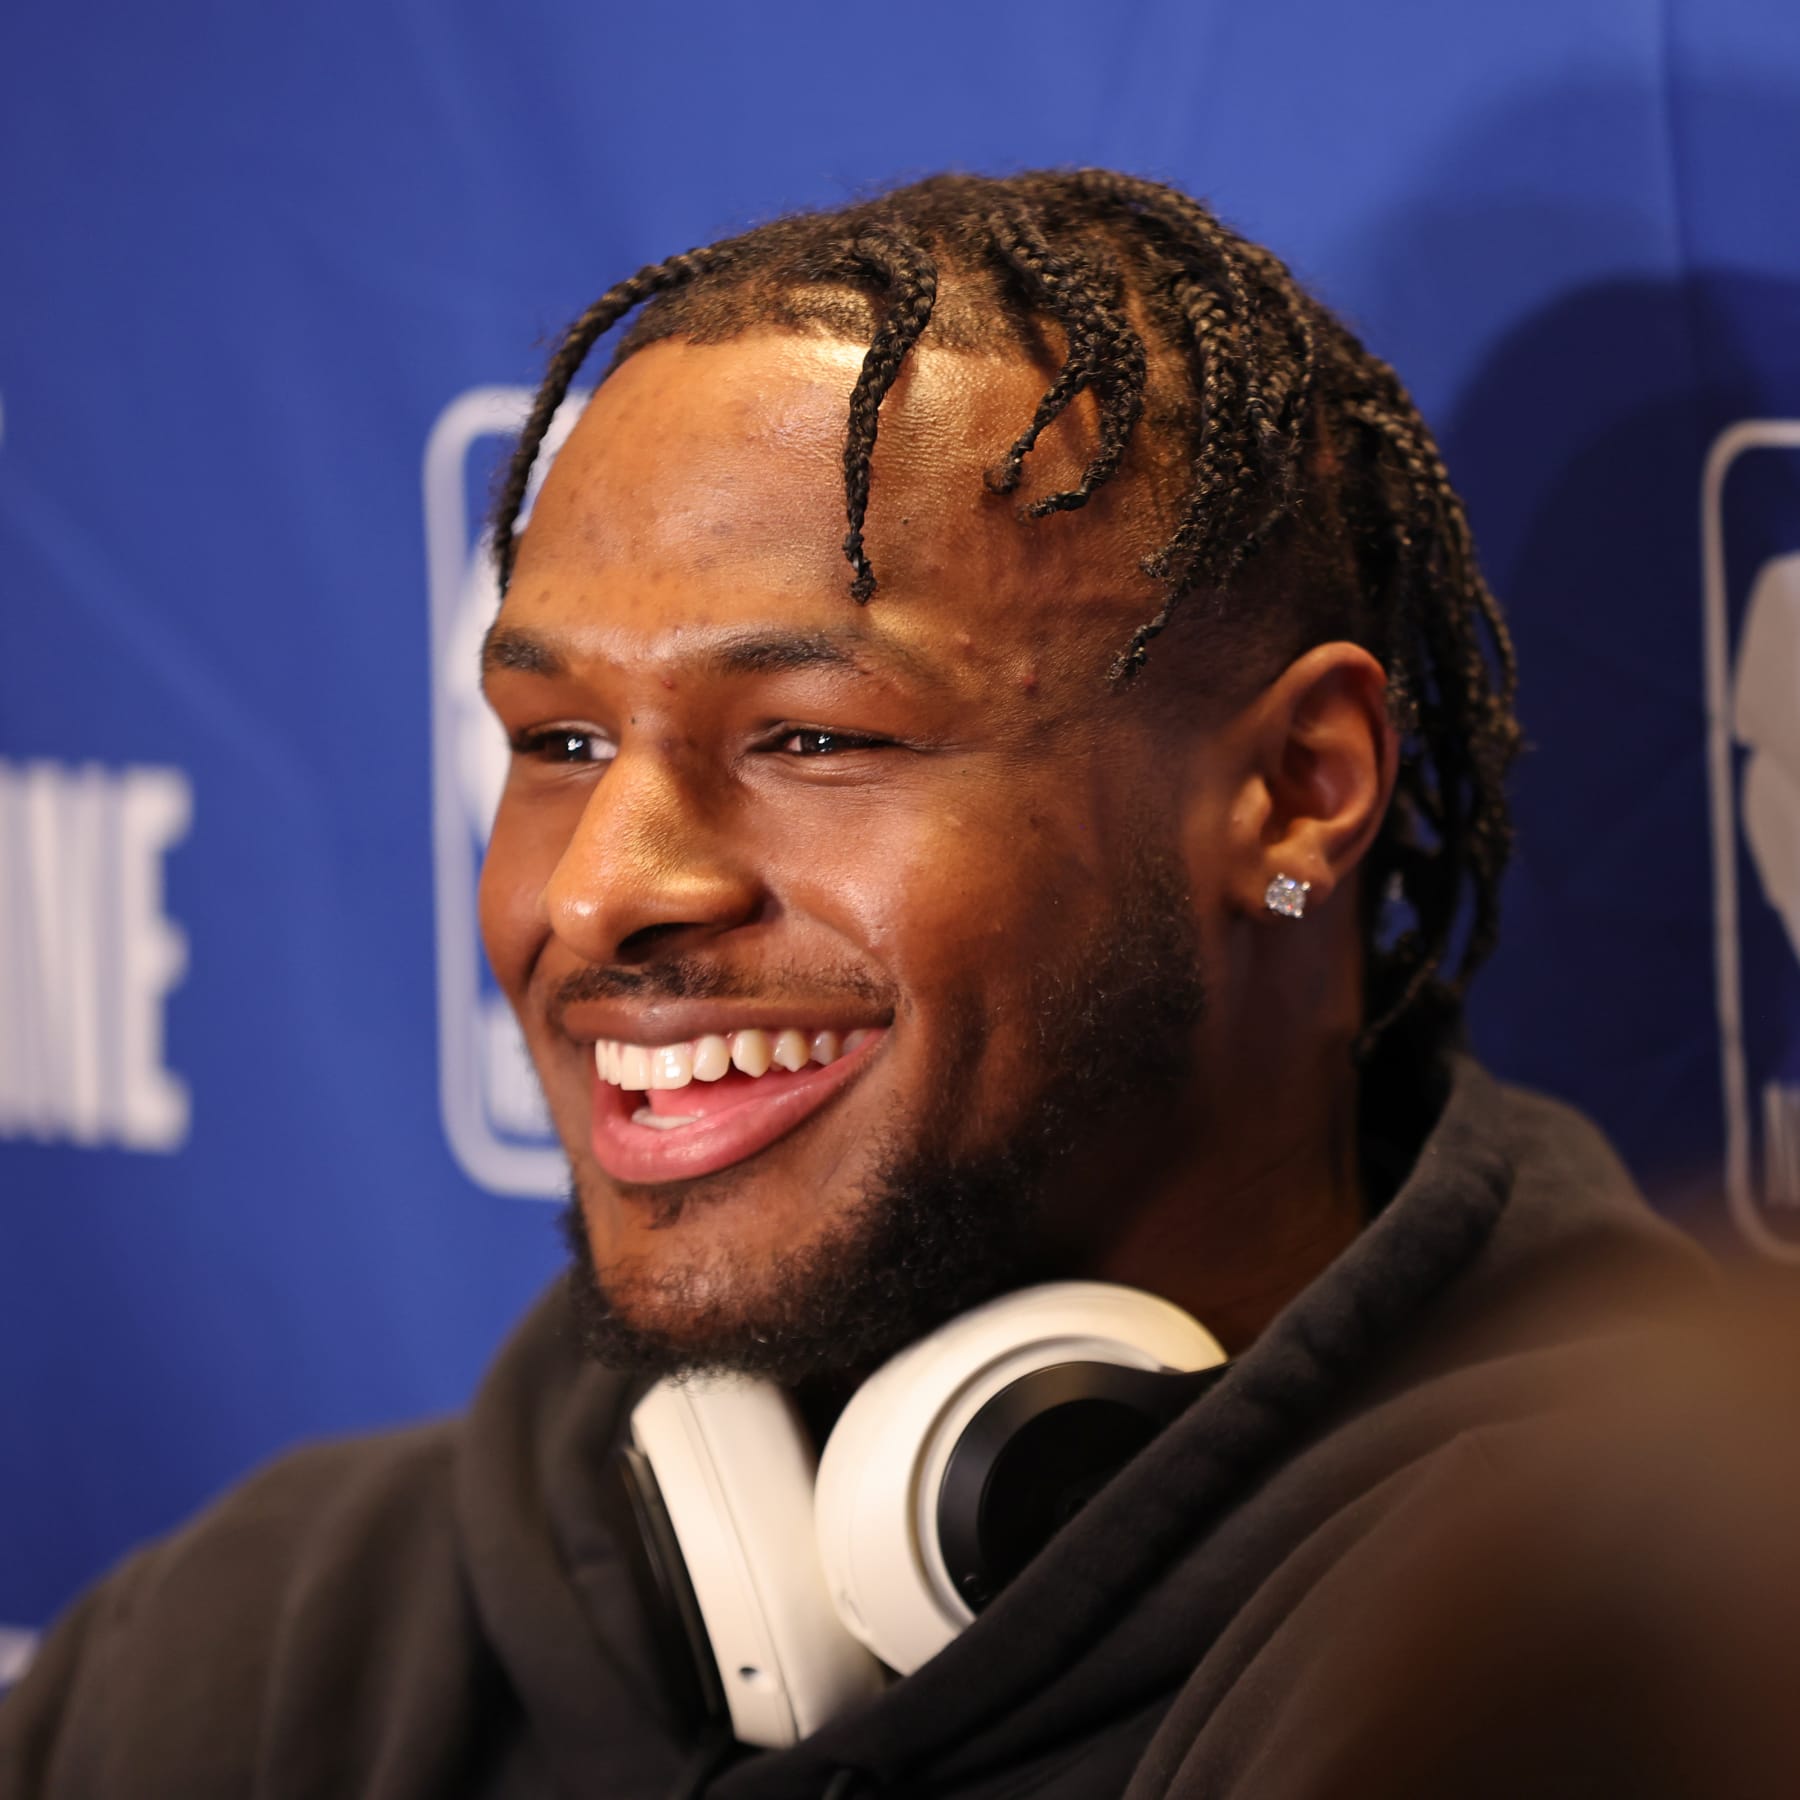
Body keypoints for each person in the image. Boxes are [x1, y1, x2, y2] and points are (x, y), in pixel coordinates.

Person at [0, 169, 1720, 1797]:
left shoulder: (1644, 1664)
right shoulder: (254, 1650)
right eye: (560, 741)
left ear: (1295, 791)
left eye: (813, 734)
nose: (600, 890)